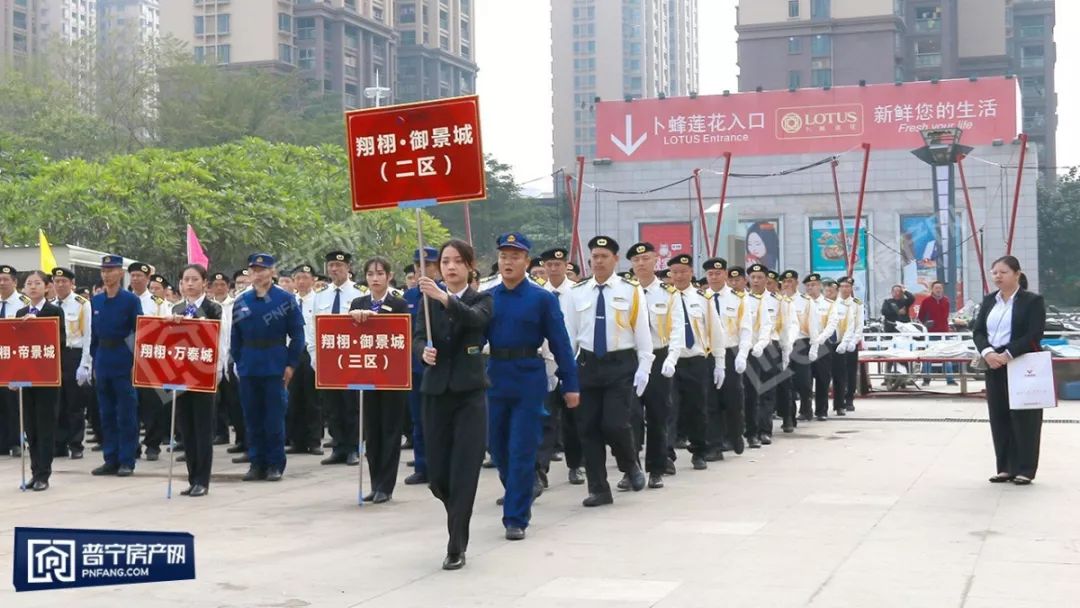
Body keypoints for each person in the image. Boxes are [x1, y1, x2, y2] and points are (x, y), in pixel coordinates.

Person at [485, 232, 579, 541]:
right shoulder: (488, 297)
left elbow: (561, 343)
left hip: (528, 378)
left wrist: (570, 383)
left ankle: (516, 517)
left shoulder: (542, 299)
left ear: (527, 261)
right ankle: (519, 488)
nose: (508, 261)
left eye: (515, 256)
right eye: (504, 256)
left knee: (522, 448)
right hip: (495, 376)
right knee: (498, 448)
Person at [414, 239, 493, 570]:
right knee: (438, 477)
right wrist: (422, 350)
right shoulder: (426, 301)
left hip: (469, 395)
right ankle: (457, 510)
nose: (450, 267)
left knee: (464, 471)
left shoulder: (482, 299)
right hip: (435, 393)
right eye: (445, 261)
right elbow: (418, 335)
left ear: (469, 266)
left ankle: (456, 543)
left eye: (457, 261)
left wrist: (444, 298)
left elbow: (475, 320)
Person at [562, 236, 653, 507]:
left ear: (615, 259)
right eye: (594, 256)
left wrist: (644, 366)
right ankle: (599, 489)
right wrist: (565, 372)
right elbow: (570, 336)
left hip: (620, 365)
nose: (598, 261)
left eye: (604, 256)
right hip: (587, 365)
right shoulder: (576, 292)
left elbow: (642, 330)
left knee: (614, 424)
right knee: (588, 429)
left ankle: (630, 464)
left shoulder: (630, 289)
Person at [230, 253, 305, 482]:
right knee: (252, 418)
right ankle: (256, 463)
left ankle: (274, 464)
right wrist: (239, 362)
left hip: (275, 365)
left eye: (263, 270)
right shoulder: (242, 301)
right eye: (254, 270)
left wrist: (291, 364)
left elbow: (298, 336)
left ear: (272, 272)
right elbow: (235, 337)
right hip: (249, 366)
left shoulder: (285, 299)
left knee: (273, 419)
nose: (258, 274)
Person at [972, 256, 1046, 486]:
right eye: (994, 272)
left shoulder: (1031, 301)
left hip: (1021, 362)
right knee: (999, 415)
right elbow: (978, 331)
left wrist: (1008, 354)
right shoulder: (988, 301)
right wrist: (988, 353)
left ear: (1017, 274)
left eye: (1003, 272)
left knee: (1025, 418)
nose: (997, 276)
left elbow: (1034, 333)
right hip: (993, 362)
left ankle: (1025, 469)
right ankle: (1005, 467)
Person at [348, 257, 409, 503]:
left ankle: (386, 485)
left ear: (389, 276)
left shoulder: (399, 303)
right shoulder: (358, 302)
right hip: (366, 376)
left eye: (380, 273)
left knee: (390, 430)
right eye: (371, 274)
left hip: (392, 377)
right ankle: (374, 482)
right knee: (371, 431)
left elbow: (401, 334)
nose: (375, 278)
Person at [627, 242, 683, 488]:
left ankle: (656, 468)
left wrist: (672, 357)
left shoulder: (668, 293)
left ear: (655, 261)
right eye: (636, 260)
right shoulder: (625, 290)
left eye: (646, 259)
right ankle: (630, 469)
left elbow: (678, 328)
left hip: (659, 357)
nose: (641, 264)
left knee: (659, 414)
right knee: (630, 416)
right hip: (631, 357)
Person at [666, 253, 725, 470]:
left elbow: (715, 331)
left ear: (691, 273)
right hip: (670, 362)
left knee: (698, 408)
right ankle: (667, 456)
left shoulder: (703, 298)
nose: (679, 276)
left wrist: (720, 362)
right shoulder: (664, 297)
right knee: (668, 410)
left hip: (696, 361)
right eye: (675, 272)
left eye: (683, 272)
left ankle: (699, 451)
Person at [169, 264, 223, 497]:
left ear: (204, 282)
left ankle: (203, 479)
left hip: (204, 375)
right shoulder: (175, 308)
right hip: (181, 376)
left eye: (194, 279)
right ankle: (192, 477)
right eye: (185, 280)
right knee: (186, 429)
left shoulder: (214, 308)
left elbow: (222, 340)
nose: (189, 284)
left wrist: (218, 372)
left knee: (202, 429)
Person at [536, 247, 587, 488]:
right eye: (549, 264)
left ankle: (576, 465)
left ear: (566, 265)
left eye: (558, 264)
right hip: (544, 364)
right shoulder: (536, 294)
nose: (553, 268)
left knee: (572, 420)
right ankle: (540, 471)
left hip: (572, 363)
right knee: (544, 420)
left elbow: (582, 328)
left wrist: (573, 363)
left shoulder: (578, 293)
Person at [309, 251, 365, 466]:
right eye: (331, 265)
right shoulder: (320, 295)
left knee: (351, 405)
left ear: (348, 268)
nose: (334, 269)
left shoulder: (359, 295)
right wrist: (315, 356)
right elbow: (313, 328)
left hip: (352, 359)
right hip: (328, 359)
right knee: (332, 405)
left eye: (339, 266)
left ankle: (353, 448)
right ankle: (339, 446)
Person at [90, 255, 143, 477]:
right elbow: (93, 335)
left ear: (121, 273)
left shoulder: (130, 300)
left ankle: (126, 460)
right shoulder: (97, 301)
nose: (106, 275)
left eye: (111, 270)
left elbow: (138, 332)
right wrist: (93, 360)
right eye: (103, 271)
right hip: (103, 359)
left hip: (123, 359)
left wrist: (135, 363)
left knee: (126, 414)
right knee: (106, 413)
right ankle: (110, 458)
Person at [15, 271, 66, 491]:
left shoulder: (54, 311)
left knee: (45, 426)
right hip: (27, 379)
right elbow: (15, 346)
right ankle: (34, 470)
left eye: (37, 283)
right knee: (31, 427)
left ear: (47, 287)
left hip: (47, 379)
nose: (33, 287)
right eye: (29, 284)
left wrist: (39, 324)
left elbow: (60, 341)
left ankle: (44, 474)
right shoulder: (20, 312)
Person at [403, 246, 441, 486]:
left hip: (440, 366)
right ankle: (422, 465)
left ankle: (440, 467)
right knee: (419, 419)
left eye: (429, 266)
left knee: (439, 420)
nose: (423, 271)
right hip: (416, 369)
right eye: (419, 267)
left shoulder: (445, 294)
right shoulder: (406, 298)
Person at [128, 262, 169, 461]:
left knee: (152, 404)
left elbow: (166, 332)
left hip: (150, 359)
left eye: (139, 276)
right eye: (133, 275)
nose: (136, 279)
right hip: (126, 358)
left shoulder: (158, 304)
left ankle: (152, 445)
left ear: (147, 279)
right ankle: (132, 445)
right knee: (130, 405)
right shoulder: (124, 300)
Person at [51, 267, 93, 460]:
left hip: (73, 355)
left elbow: (88, 336)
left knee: (74, 403)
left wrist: (85, 364)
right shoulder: (51, 305)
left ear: (71, 283)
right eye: (56, 281)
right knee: (57, 401)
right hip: (54, 356)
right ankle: (59, 444)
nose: (60, 285)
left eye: (64, 282)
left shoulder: (81, 304)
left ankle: (76, 444)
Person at [286, 263, 323, 456]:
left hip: (312, 352)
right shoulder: (288, 301)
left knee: (312, 399)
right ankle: (296, 440)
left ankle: (314, 440)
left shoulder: (319, 300)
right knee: (293, 398)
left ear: (313, 280)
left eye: (305, 278)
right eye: (298, 278)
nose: (301, 281)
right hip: (292, 352)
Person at [1, 265, 30, 457]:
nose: (2, 283)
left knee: (14, 403)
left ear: (15, 282)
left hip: (15, 360)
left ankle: (16, 441)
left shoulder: (24, 304)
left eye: (5, 279)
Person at [809, 279, 844, 421]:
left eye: (814, 285)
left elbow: (832, 324)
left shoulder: (828, 305)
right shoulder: (803, 303)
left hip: (823, 344)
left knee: (823, 378)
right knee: (805, 379)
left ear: (820, 288)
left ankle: (821, 410)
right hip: (805, 343)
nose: (811, 288)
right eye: (809, 286)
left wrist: (821, 338)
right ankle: (805, 409)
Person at [834, 277, 864, 413]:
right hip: (836, 342)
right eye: (842, 286)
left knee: (851, 371)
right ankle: (838, 399)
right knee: (838, 373)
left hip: (851, 343)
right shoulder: (834, 302)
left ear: (851, 288)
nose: (845, 289)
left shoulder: (857, 303)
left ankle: (849, 398)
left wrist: (854, 341)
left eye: (847, 286)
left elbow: (859, 324)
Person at [918, 281, 956, 385]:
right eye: (936, 288)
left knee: (947, 355)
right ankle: (926, 379)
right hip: (931, 333)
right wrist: (927, 324)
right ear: (932, 289)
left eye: (940, 288)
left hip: (944, 332)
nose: (938, 290)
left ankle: (950, 379)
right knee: (928, 356)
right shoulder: (926, 301)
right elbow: (920, 316)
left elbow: (946, 316)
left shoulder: (946, 300)